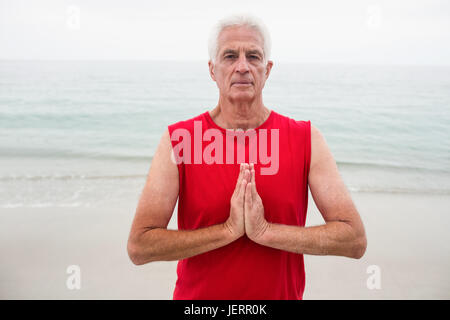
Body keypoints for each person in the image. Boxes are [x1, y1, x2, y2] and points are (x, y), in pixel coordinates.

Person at [127, 13, 367, 300]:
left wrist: (266, 232)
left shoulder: (305, 138)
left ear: (267, 69)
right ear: (212, 70)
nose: (242, 66)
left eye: (253, 56)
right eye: (230, 56)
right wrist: (227, 231)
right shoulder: (179, 140)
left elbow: (354, 239)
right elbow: (140, 246)